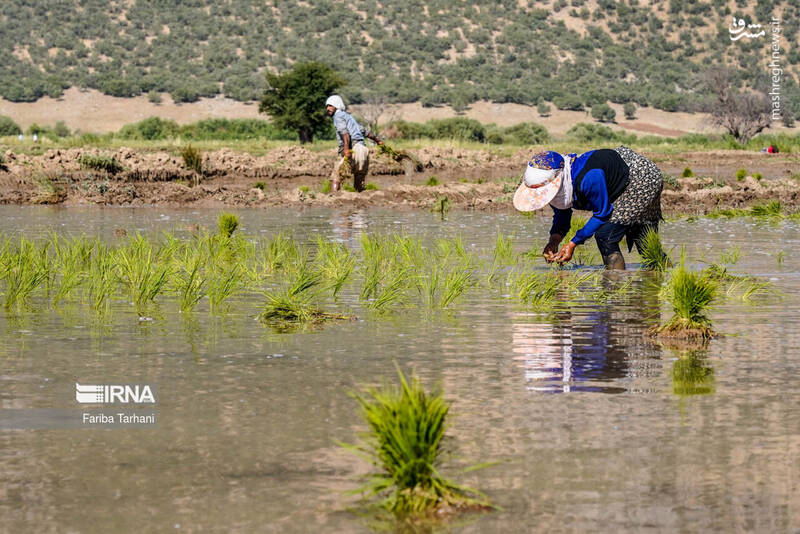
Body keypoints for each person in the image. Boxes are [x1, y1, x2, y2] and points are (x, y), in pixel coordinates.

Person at [512, 146, 663, 270]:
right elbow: (562, 214)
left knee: (606, 236)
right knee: (647, 245)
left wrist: (573, 243)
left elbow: (602, 213)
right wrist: (554, 241)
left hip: (640, 179)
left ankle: (615, 290)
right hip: (618, 172)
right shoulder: (562, 184)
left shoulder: (589, 179)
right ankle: (664, 272)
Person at [325, 95, 383, 192]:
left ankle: (333, 200)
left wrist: (346, 149)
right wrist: (378, 141)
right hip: (363, 151)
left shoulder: (338, 116)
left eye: (330, 106)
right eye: (327, 106)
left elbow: (345, 133)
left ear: (336, 105)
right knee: (359, 181)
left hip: (354, 149)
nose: (327, 109)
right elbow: (366, 132)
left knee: (336, 176)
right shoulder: (349, 117)